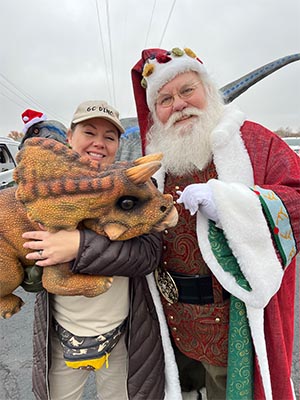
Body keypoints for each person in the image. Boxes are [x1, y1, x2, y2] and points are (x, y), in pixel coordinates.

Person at [130, 47, 300, 400]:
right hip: (172, 325)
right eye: (164, 99)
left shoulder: (254, 141)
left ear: (208, 90)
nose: (178, 104)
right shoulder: (151, 163)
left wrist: (233, 205)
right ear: (155, 113)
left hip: (234, 324)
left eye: (187, 90)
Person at [21, 100, 181, 400]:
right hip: (59, 333)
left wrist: (80, 246)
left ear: (118, 144)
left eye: (110, 137)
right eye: (89, 132)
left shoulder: (134, 186)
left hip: (124, 335)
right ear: (69, 137)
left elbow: (148, 254)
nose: (99, 143)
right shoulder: (50, 187)